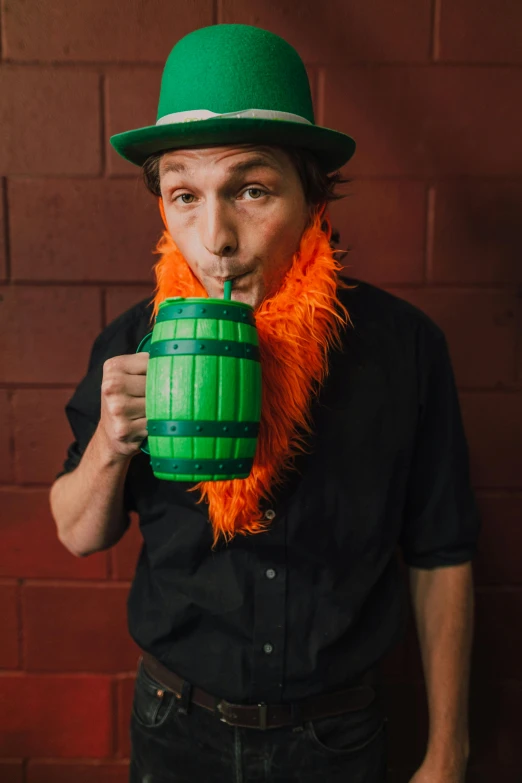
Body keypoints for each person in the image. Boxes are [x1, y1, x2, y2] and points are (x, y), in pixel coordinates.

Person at [49, 23, 481, 783]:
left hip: (338, 738)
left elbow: (441, 555)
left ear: (313, 195)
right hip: (176, 726)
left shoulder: (403, 349)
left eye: (252, 189)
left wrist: (448, 748)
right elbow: (79, 533)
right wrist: (109, 448)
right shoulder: (133, 343)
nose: (215, 236)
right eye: (185, 194)